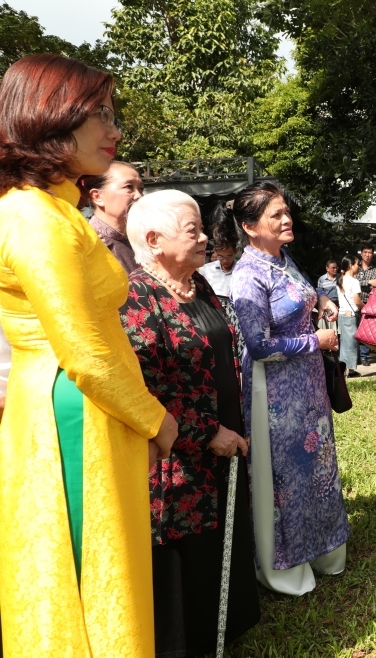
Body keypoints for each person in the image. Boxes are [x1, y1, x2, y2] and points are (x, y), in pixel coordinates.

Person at [0, 54, 177, 656]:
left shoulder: (55, 210)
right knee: (85, 579)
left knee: (109, 569)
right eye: (98, 114)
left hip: (91, 408)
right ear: (50, 118)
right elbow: (82, 349)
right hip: (69, 413)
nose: (115, 130)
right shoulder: (31, 216)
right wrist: (156, 418)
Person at [122, 190, 260, 656]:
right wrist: (206, 432)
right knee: (183, 556)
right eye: (192, 230)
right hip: (175, 459)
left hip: (225, 440)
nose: (205, 237)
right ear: (154, 240)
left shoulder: (199, 286)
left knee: (221, 541)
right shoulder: (135, 297)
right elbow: (145, 390)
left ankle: (223, 632)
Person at [229, 181, 350, 596]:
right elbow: (259, 346)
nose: (286, 219)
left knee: (316, 466)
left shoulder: (283, 260)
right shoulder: (247, 276)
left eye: (286, 212)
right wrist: (316, 341)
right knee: (283, 475)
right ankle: (283, 565)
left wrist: (321, 301)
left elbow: (298, 295)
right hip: (274, 390)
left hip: (308, 384)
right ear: (249, 226)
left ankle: (323, 549)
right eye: (275, 215)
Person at [81, 160, 145, 273]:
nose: (139, 195)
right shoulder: (89, 246)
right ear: (97, 197)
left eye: (141, 189)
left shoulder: (147, 239)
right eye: (128, 187)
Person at [198, 204, 239, 300]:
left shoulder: (241, 271)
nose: (225, 261)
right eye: (221, 256)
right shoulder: (205, 270)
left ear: (236, 251)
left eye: (229, 256)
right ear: (215, 251)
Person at [337, 256, 363, 377]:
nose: (359, 266)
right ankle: (350, 370)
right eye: (357, 264)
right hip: (351, 314)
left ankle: (343, 368)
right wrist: (365, 307)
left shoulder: (340, 279)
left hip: (342, 315)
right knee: (352, 343)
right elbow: (357, 300)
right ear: (351, 265)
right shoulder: (354, 281)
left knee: (344, 342)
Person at [356, 244, 376, 366]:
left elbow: (375, 284)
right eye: (365, 252)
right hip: (355, 302)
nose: (367, 254)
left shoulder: (375, 268)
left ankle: (364, 356)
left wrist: (361, 284)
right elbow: (352, 282)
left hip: (369, 302)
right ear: (361, 253)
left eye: (370, 252)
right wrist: (367, 282)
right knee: (354, 329)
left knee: (365, 330)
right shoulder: (355, 265)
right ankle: (355, 357)